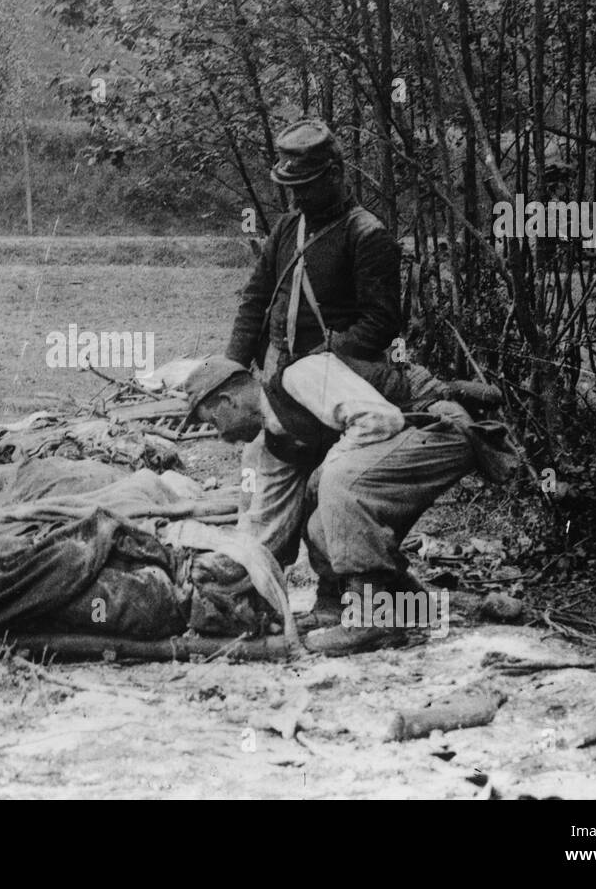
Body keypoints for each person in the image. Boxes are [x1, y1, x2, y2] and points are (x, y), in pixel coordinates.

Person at [182, 352, 518, 647]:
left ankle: (372, 620)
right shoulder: (270, 447)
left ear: (227, 401)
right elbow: (264, 530)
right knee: (319, 525)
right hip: (403, 444)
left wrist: (323, 471)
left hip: (440, 427)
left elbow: (382, 420)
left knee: (339, 480)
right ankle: (400, 604)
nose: (219, 435)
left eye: (213, 422)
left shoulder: (300, 376)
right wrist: (233, 586)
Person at [220, 118, 405, 603]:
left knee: (333, 491)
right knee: (268, 481)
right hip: (284, 388)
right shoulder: (286, 228)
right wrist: (232, 370)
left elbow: (382, 323)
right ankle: (258, 587)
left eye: (304, 187)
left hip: (341, 388)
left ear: (336, 175)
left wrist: (324, 362)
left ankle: (337, 592)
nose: (295, 199)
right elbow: (255, 300)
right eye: (289, 188)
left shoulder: (367, 235)